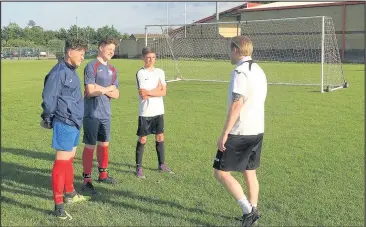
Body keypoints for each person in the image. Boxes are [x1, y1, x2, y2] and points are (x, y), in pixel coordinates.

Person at [212, 36, 267, 227]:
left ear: (236, 49)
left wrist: (225, 132)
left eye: (230, 49)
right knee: (249, 171)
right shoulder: (259, 70)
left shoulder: (240, 72)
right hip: (257, 129)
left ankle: (249, 211)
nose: (230, 53)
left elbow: (237, 103)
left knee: (220, 173)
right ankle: (253, 213)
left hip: (240, 131)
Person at [40, 38, 90, 220]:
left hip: (75, 121)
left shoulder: (71, 71)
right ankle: (58, 206)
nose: (83, 57)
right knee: (61, 162)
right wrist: (47, 118)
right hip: (64, 121)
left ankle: (69, 193)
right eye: (81, 53)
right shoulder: (59, 71)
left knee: (69, 159)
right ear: (70, 52)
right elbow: (49, 97)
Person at [81, 37, 120, 194]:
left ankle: (103, 175)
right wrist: (108, 88)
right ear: (100, 47)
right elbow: (90, 91)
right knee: (90, 145)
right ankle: (87, 180)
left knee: (104, 144)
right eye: (109, 48)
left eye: (113, 49)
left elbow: (116, 94)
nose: (112, 51)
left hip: (106, 113)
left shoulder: (113, 69)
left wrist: (101, 88)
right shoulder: (91, 66)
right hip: (92, 113)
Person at [134, 46, 174, 179]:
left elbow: (164, 92)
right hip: (145, 112)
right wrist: (156, 90)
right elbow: (143, 96)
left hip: (158, 110)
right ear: (143, 58)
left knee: (160, 137)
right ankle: (139, 167)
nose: (151, 60)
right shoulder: (141, 73)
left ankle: (162, 164)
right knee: (143, 138)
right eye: (148, 57)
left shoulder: (160, 72)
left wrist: (151, 92)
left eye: (153, 57)